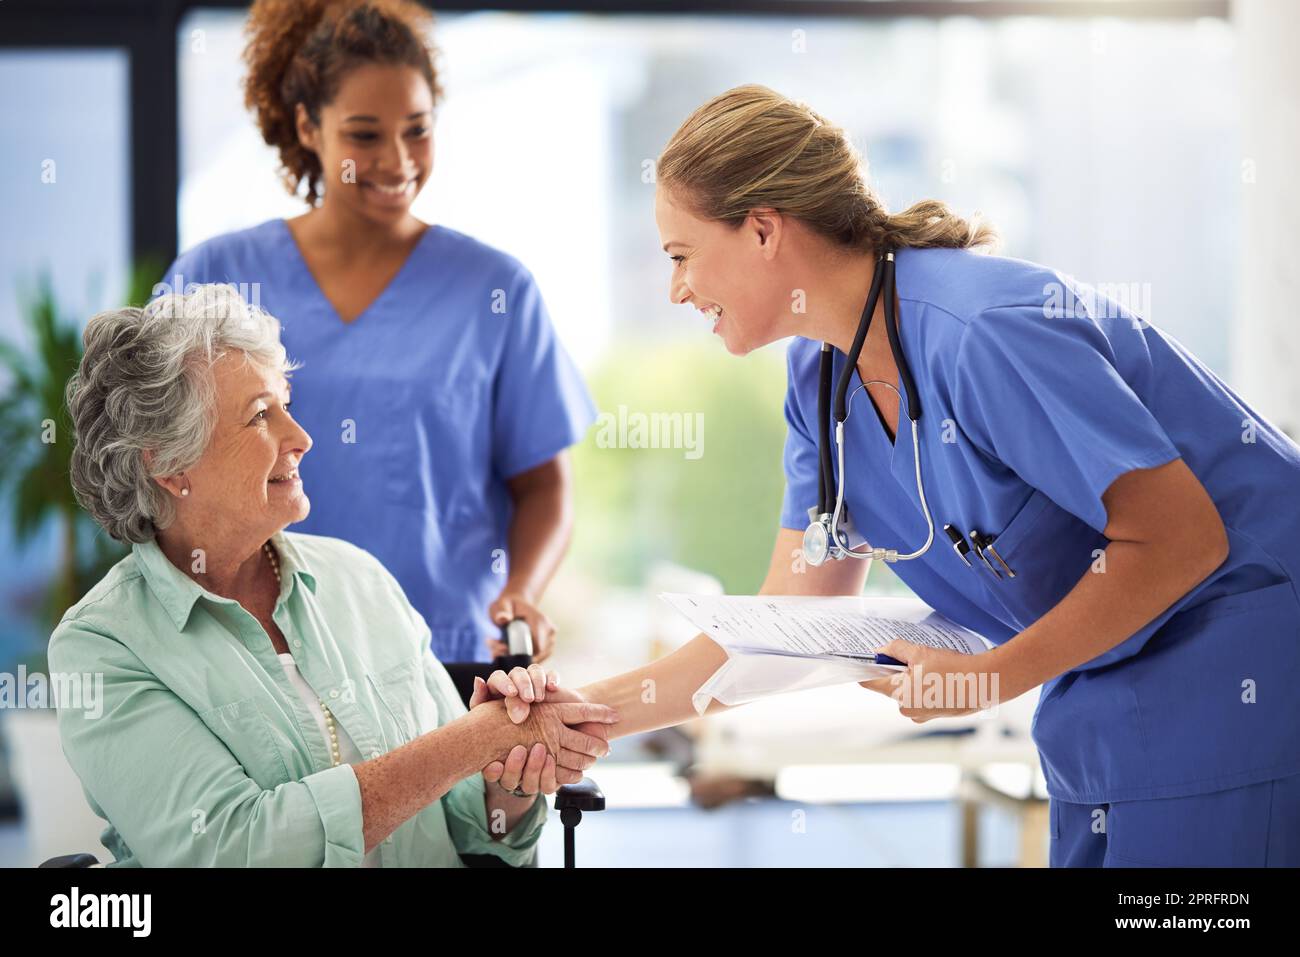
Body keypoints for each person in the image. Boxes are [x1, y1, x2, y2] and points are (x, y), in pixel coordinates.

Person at [491, 85, 1300, 868]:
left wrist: (990, 675)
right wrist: (586, 715)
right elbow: (782, 623)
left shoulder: (983, 332)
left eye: (681, 255)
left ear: (764, 230)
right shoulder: (819, 382)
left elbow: (1181, 536)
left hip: (1236, 670)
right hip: (1104, 708)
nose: (676, 288)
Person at [50, 284, 614, 867]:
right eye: (260, 416)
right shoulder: (104, 647)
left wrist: (508, 780)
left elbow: (472, 826)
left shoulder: (358, 579)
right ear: (168, 463)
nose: (301, 438)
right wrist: (474, 739)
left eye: (286, 405)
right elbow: (239, 851)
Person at [159, 0, 595, 664]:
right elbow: (164, 463)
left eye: (417, 130)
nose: (397, 161)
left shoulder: (495, 290)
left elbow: (544, 485)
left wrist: (523, 592)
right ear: (309, 127)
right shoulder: (217, 275)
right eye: (365, 135)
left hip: (447, 654)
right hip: (259, 652)